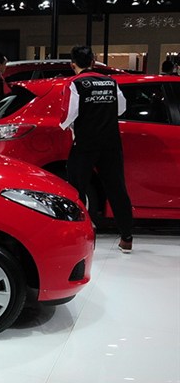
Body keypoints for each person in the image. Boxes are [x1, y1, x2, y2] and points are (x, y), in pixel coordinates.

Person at [59, 45, 134, 253]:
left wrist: (68, 125)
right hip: (110, 143)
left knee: (77, 190)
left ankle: (77, 236)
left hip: (85, 143)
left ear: (72, 64)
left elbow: (67, 116)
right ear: (93, 61)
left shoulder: (75, 84)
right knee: (117, 188)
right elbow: (121, 108)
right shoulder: (111, 82)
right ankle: (126, 237)